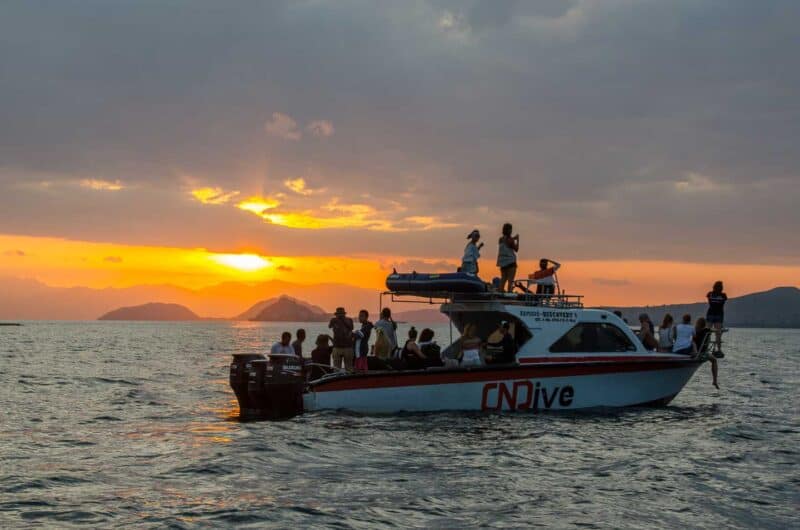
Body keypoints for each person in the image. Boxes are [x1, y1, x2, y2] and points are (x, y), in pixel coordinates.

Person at [694, 317, 720, 389]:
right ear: (704, 324)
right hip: (703, 353)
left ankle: (714, 381)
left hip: (695, 351)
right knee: (714, 360)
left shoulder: (695, 330)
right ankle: (714, 380)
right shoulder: (706, 330)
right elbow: (716, 330)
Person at [328, 307, 355, 371]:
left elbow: (351, 328)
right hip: (337, 347)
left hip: (348, 347)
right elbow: (329, 326)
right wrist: (335, 320)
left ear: (344, 314)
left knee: (349, 368)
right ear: (336, 314)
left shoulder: (349, 320)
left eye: (341, 314)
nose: (340, 315)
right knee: (336, 368)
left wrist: (343, 320)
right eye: (338, 314)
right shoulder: (333, 320)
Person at [496, 223, 519, 292]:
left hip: (503, 262)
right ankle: (509, 293)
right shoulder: (510, 240)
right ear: (509, 230)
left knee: (503, 279)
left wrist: (513, 238)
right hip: (511, 262)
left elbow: (507, 242)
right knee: (510, 280)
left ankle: (500, 292)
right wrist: (517, 240)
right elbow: (516, 249)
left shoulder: (500, 239)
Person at [706, 281, 727, 352]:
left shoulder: (710, 294)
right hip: (719, 315)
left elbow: (710, 302)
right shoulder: (723, 295)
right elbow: (722, 303)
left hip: (710, 314)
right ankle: (719, 350)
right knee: (718, 334)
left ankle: (705, 348)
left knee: (707, 332)